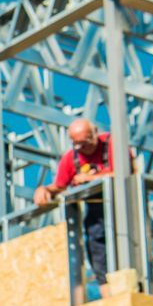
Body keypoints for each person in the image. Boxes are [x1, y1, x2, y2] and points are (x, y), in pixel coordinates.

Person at [33, 118, 117, 295]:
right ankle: (109, 298)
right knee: (98, 252)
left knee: (125, 248)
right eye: (77, 144)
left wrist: (91, 179)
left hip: (120, 205)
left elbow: (128, 172)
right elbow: (60, 185)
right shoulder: (71, 158)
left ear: (95, 134)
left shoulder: (112, 145)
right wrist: (45, 189)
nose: (82, 149)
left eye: (85, 143)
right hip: (96, 214)